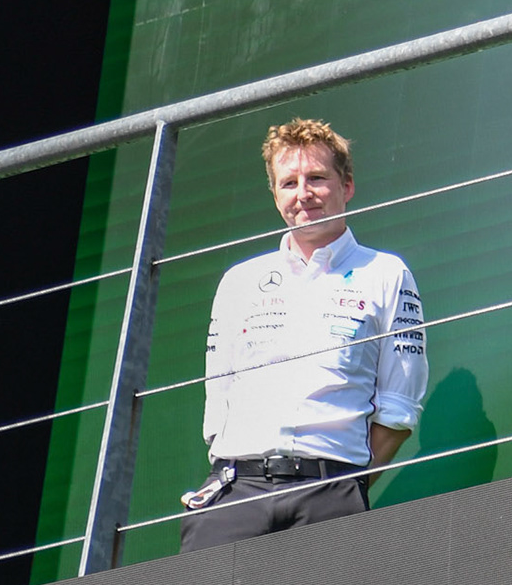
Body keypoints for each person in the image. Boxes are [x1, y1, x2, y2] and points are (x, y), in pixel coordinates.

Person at [179, 119, 427, 551]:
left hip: (329, 491)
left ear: (347, 186)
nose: (303, 194)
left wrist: (343, 485)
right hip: (235, 493)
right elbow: (217, 406)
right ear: (275, 194)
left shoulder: (387, 274)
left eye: (316, 178)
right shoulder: (239, 280)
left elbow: (398, 411)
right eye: (289, 183)